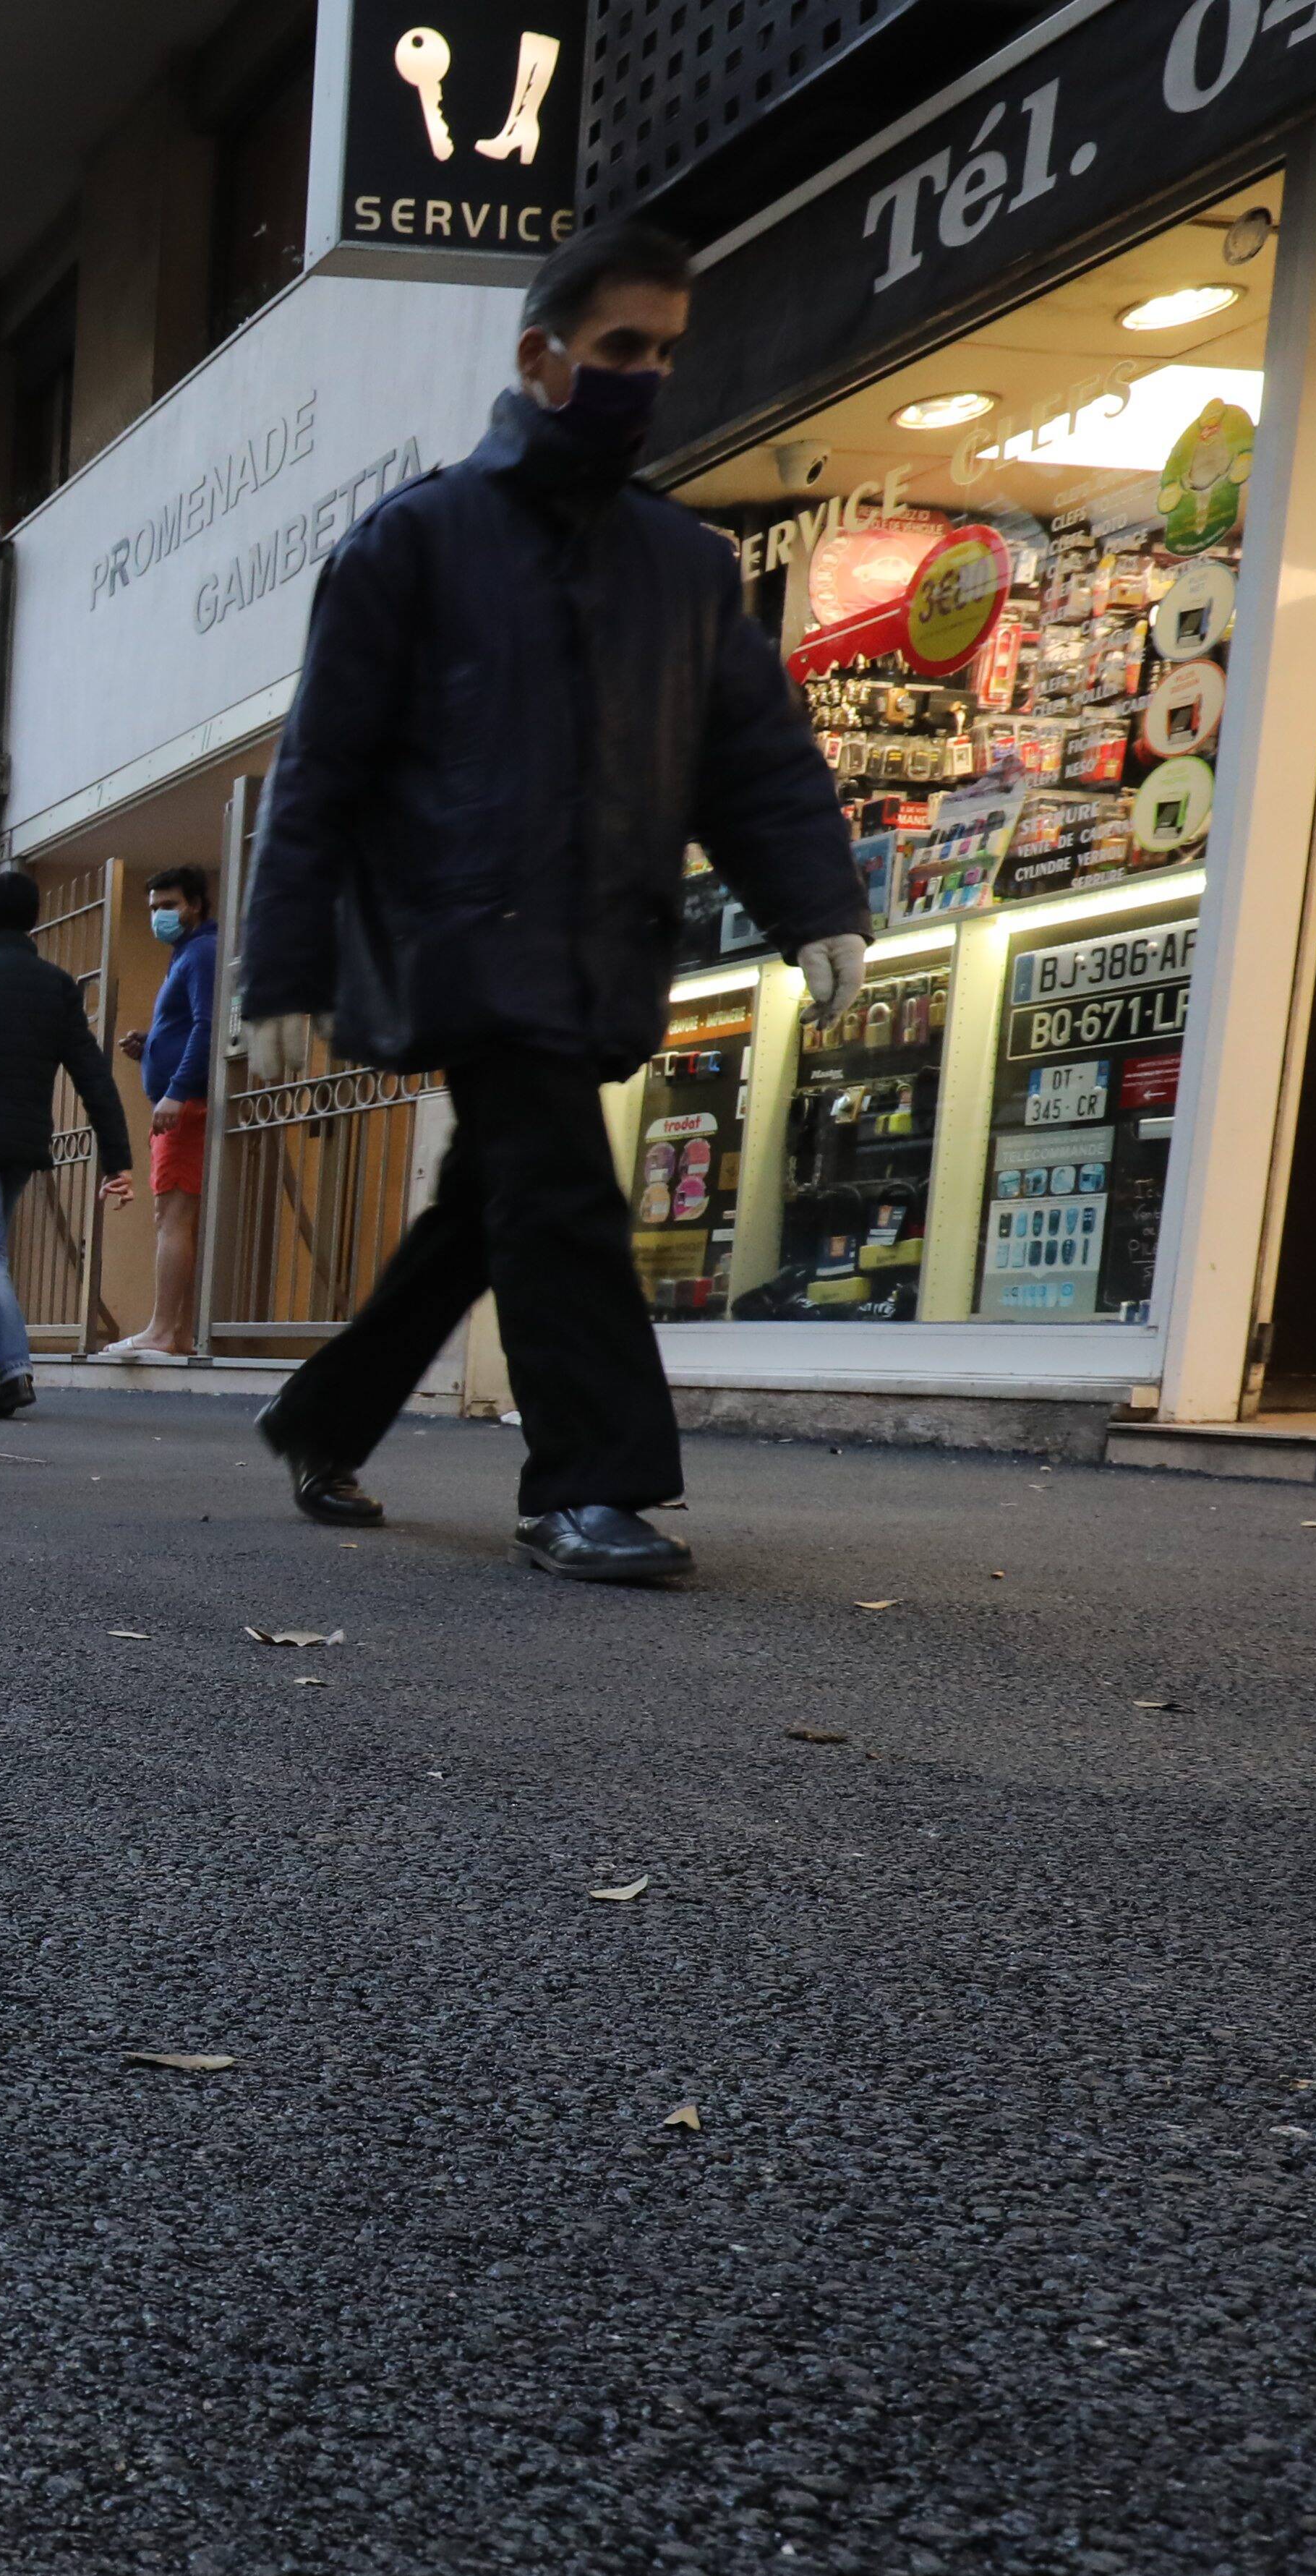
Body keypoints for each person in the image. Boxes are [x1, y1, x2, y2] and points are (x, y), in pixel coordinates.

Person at [236, 218, 864, 1586]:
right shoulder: (414, 543)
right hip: (465, 944)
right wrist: (279, 973)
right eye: (622, 347)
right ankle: (586, 1481)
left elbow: (752, 757)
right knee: (565, 1197)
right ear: (542, 357)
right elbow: (320, 772)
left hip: (602, 947)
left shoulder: (685, 567)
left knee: (497, 1199)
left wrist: (819, 904)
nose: (649, 375)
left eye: (667, 352)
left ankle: (324, 1415)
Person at [0, 868, 134, 1420]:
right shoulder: (56, 985)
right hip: (22, 1145)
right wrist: (117, 1157)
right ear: (34, 919)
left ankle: (14, 1372)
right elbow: (92, 1074)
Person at [102, 863, 218, 1359]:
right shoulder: (187, 954)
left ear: (195, 905)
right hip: (182, 1102)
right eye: (153, 908)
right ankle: (178, 1333)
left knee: (172, 1217)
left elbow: (207, 1026)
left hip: (185, 1109)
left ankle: (162, 1331)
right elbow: (189, 1026)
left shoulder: (202, 953)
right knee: (175, 1219)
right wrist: (150, 1046)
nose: (159, 917)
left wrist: (176, 1091)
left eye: (168, 906)